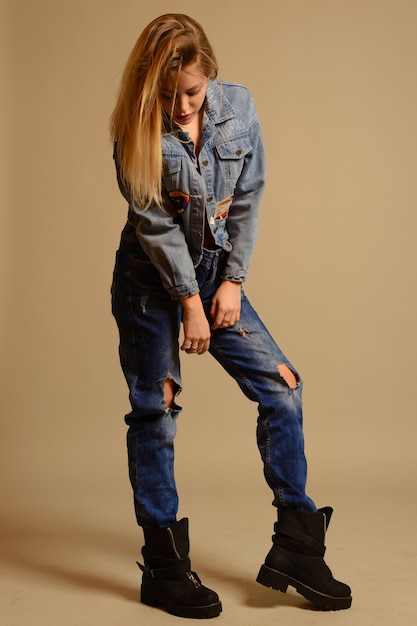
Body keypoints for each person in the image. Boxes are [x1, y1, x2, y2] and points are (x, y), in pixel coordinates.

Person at [109, 13, 352, 619]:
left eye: (190, 91)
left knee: (283, 387)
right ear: (149, 87)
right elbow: (155, 226)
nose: (181, 106)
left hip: (218, 275)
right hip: (151, 283)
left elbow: (249, 194)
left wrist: (233, 282)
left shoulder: (237, 107)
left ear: (209, 72)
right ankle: (164, 569)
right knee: (156, 409)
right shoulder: (133, 129)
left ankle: (296, 547)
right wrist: (190, 302)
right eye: (166, 95)